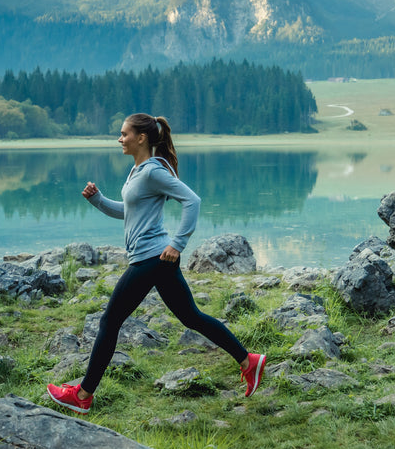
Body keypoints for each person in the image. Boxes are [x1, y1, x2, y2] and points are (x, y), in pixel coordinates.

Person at [47, 113, 266, 413]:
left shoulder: (152, 171)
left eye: (124, 134)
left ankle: (82, 396)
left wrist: (178, 244)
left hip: (151, 258)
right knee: (192, 317)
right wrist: (98, 200)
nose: (119, 139)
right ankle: (248, 361)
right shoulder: (138, 172)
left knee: (109, 322)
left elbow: (193, 201)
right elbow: (130, 211)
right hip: (156, 258)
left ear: (142, 138)